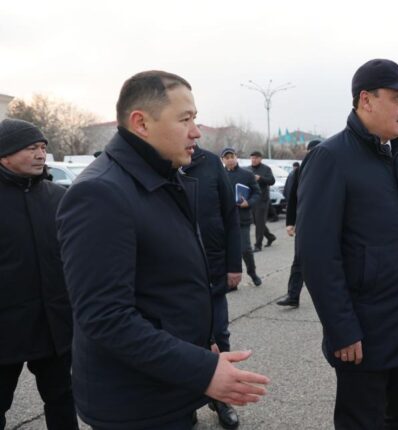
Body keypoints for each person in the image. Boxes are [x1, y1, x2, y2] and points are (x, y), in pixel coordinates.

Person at [56, 70, 269, 430]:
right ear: (141, 123)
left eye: (195, 119)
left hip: (166, 385)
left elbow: (167, 284)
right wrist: (201, 369)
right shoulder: (101, 193)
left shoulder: (163, 177)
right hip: (134, 403)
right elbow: (106, 317)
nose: (196, 132)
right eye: (185, 120)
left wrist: (200, 343)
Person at [296, 58, 398, 429]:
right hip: (365, 336)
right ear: (366, 100)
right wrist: (341, 329)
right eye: (397, 98)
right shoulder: (331, 158)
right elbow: (317, 255)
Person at [0, 119, 78, 430]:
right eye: (31, 148)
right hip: (5, 329)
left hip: (54, 327)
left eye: (43, 148)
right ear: (5, 154)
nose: (40, 154)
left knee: (62, 400)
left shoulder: (57, 198)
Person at [183, 145, 244, 429]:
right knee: (181, 339)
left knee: (219, 334)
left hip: (213, 267)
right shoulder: (159, 163)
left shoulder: (209, 163)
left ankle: (221, 398)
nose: (192, 131)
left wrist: (234, 264)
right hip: (177, 273)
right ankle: (186, 403)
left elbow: (230, 216)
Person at [277, 139, 321, 308]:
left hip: (327, 224)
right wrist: (290, 223)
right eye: (311, 152)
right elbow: (293, 199)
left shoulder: (332, 169)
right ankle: (293, 296)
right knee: (299, 260)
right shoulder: (299, 171)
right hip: (304, 224)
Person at [221, 148, 263, 286]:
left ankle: (252, 273)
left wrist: (248, 203)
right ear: (223, 160)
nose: (230, 160)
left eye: (232, 156)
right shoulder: (219, 174)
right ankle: (232, 282)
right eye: (227, 157)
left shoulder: (247, 174)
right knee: (228, 251)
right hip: (225, 219)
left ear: (236, 157)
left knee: (245, 249)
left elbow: (257, 193)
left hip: (242, 218)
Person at [248, 151, 276, 251]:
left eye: (256, 158)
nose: (254, 160)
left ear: (260, 159)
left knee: (259, 223)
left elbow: (272, 181)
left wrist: (260, 178)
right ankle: (270, 237)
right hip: (251, 199)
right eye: (252, 158)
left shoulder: (266, 169)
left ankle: (258, 245)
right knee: (256, 222)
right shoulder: (247, 169)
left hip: (262, 199)